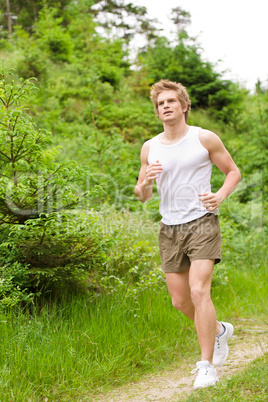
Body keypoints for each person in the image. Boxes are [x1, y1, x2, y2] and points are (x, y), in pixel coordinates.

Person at [135, 79, 241, 390]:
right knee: (180, 301)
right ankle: (219, 330)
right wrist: (145, 183)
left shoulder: (204, 138)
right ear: (157, 112)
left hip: (202, 221)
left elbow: (232, 172)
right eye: (160, 104)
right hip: (169, 227)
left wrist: (219, 196)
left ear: (184, 106)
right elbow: (142, 194)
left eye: (170, 101)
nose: (165, 106)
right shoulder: (150, 147)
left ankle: (206, 366)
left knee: (198, 291)